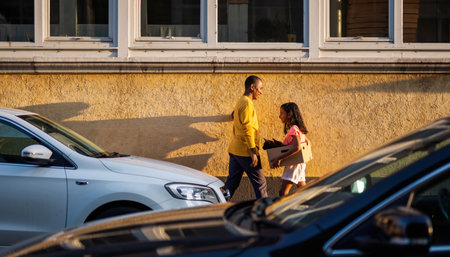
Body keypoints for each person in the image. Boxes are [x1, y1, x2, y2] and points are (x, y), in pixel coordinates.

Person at [225, 75, 268, 199]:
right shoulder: (247, 104)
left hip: (235, 150)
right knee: (261, 184)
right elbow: (247, 128)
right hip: (245, 151)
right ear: (252, 87)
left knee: (231, 184)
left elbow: (235, 117)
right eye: (259, 89)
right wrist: (253, 151)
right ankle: (265, 212)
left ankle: (216, 206)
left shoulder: (241, 101)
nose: (261, 92)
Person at [270, 102, 309, 196]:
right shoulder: (299, 129)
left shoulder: (294, 129)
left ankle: (284, 210)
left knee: (283, 193)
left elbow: (297, 147)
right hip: (299, 164)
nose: (280, 116)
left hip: (293, 165)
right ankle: (312, 205)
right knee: (303, 191)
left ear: (289, 114)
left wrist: (278, 158)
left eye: (282, 113)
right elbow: (307, 142)